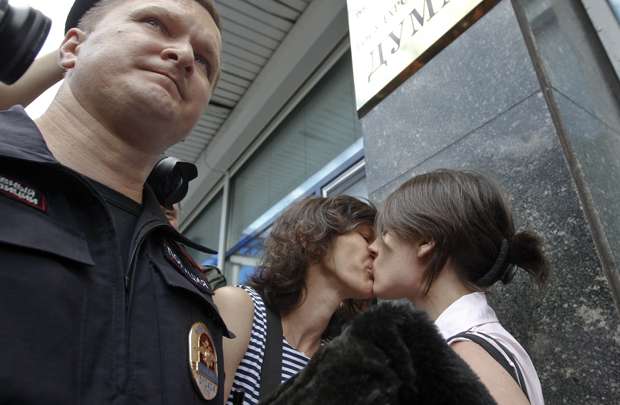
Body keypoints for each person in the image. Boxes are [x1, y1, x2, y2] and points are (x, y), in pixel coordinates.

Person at [0, 0, 231, 403]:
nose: (185, 57)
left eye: (205, 61)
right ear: (71, 48)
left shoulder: (191, 278)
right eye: (155, 23)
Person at [369, 169, 549, 405]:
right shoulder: (467, 347)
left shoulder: (465, 355)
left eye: (384, 232)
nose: (372, 247)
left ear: (426, 240)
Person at [214, 195, 377, 404]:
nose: (375, 250)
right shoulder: (239, 308)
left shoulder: (341, 362)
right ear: (309, 238)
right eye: (365, 237)